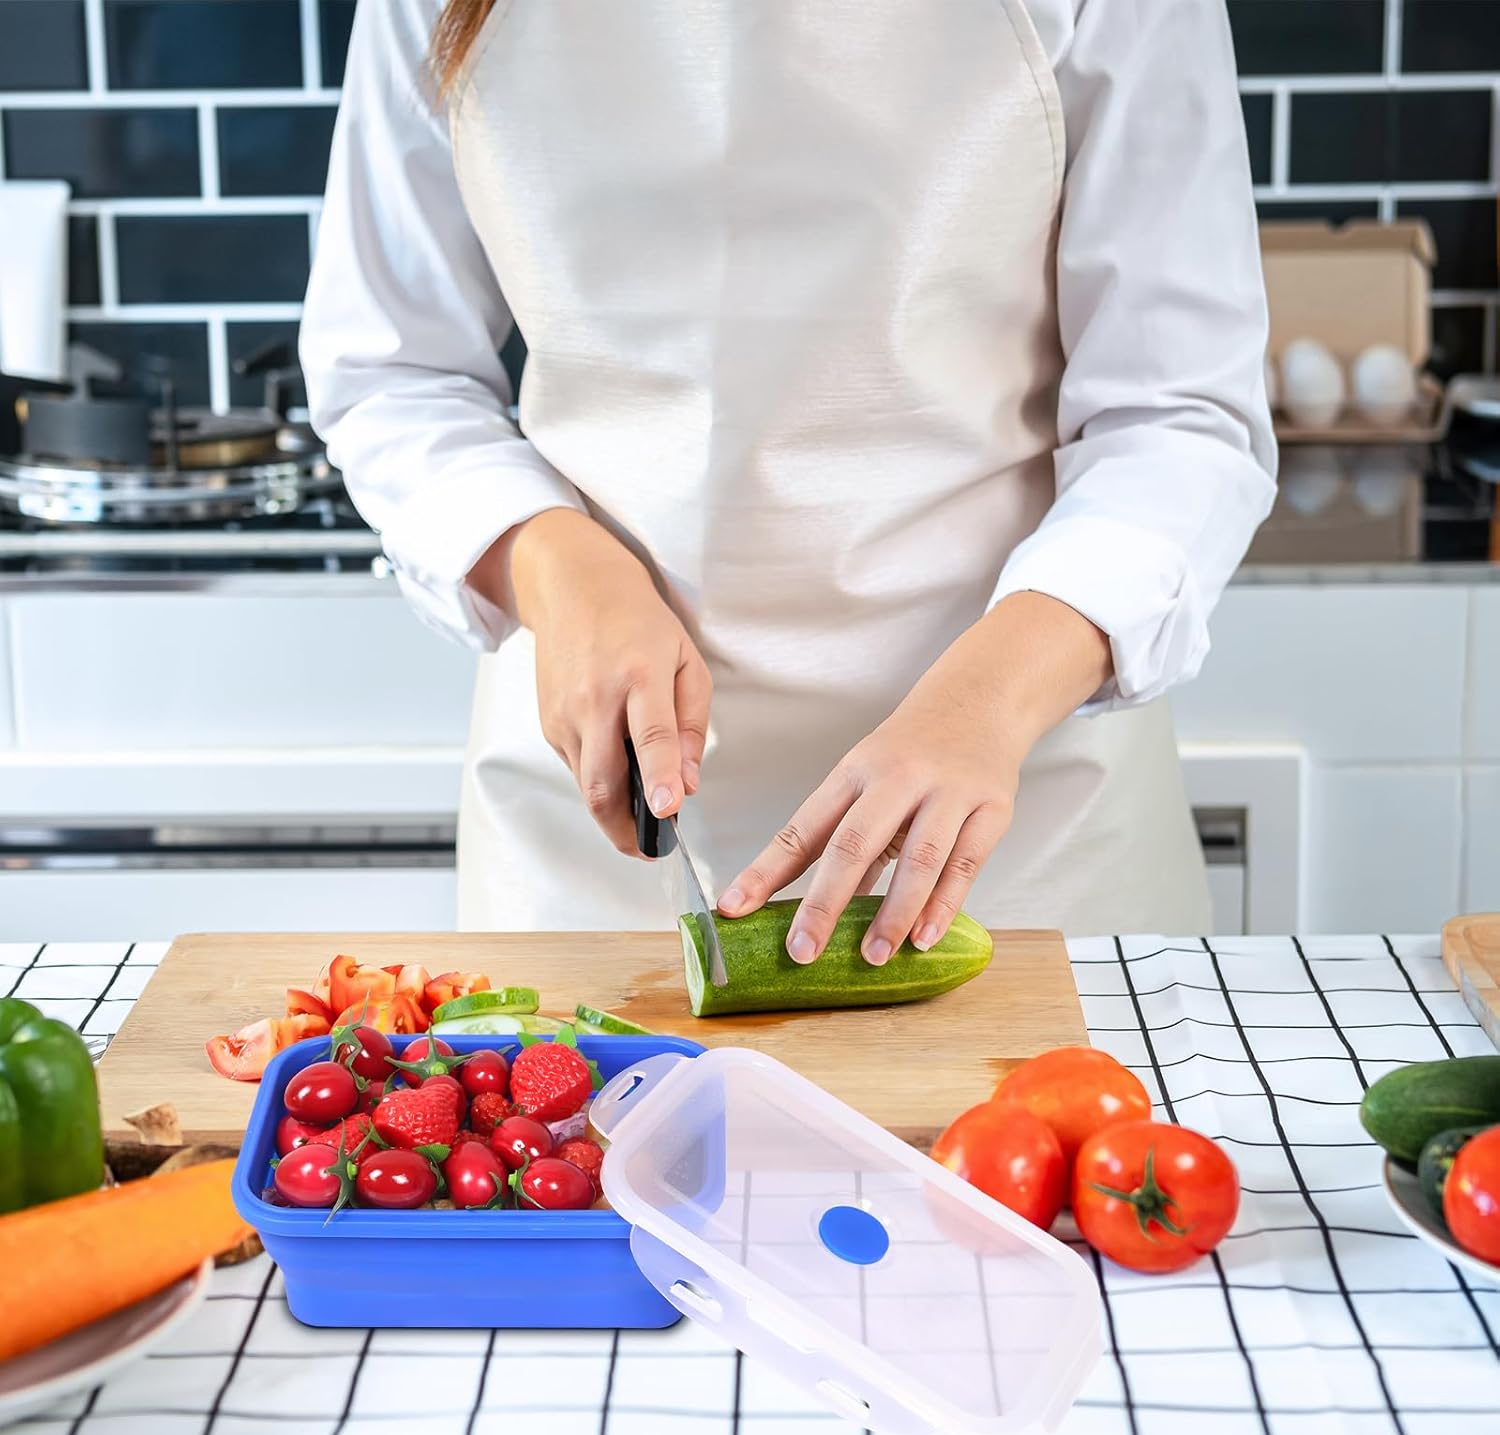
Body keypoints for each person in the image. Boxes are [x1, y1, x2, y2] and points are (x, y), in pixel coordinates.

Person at [302, 0, 1275, 961]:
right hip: (602, 817)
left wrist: (991, 700)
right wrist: (551, 564)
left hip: (1017, 802)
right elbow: (391, 368)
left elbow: (1177, 410)